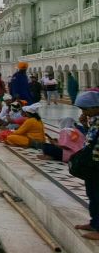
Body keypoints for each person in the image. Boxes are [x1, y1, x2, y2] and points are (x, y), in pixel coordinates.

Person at [71, 91, 99, 239]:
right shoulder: (94, 120)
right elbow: (91, 138)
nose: (84, 112)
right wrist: (84, 125)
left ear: (95, 107)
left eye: (86, 109)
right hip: (92, 164)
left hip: (97, 163)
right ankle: (94, 223)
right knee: (92, 194)